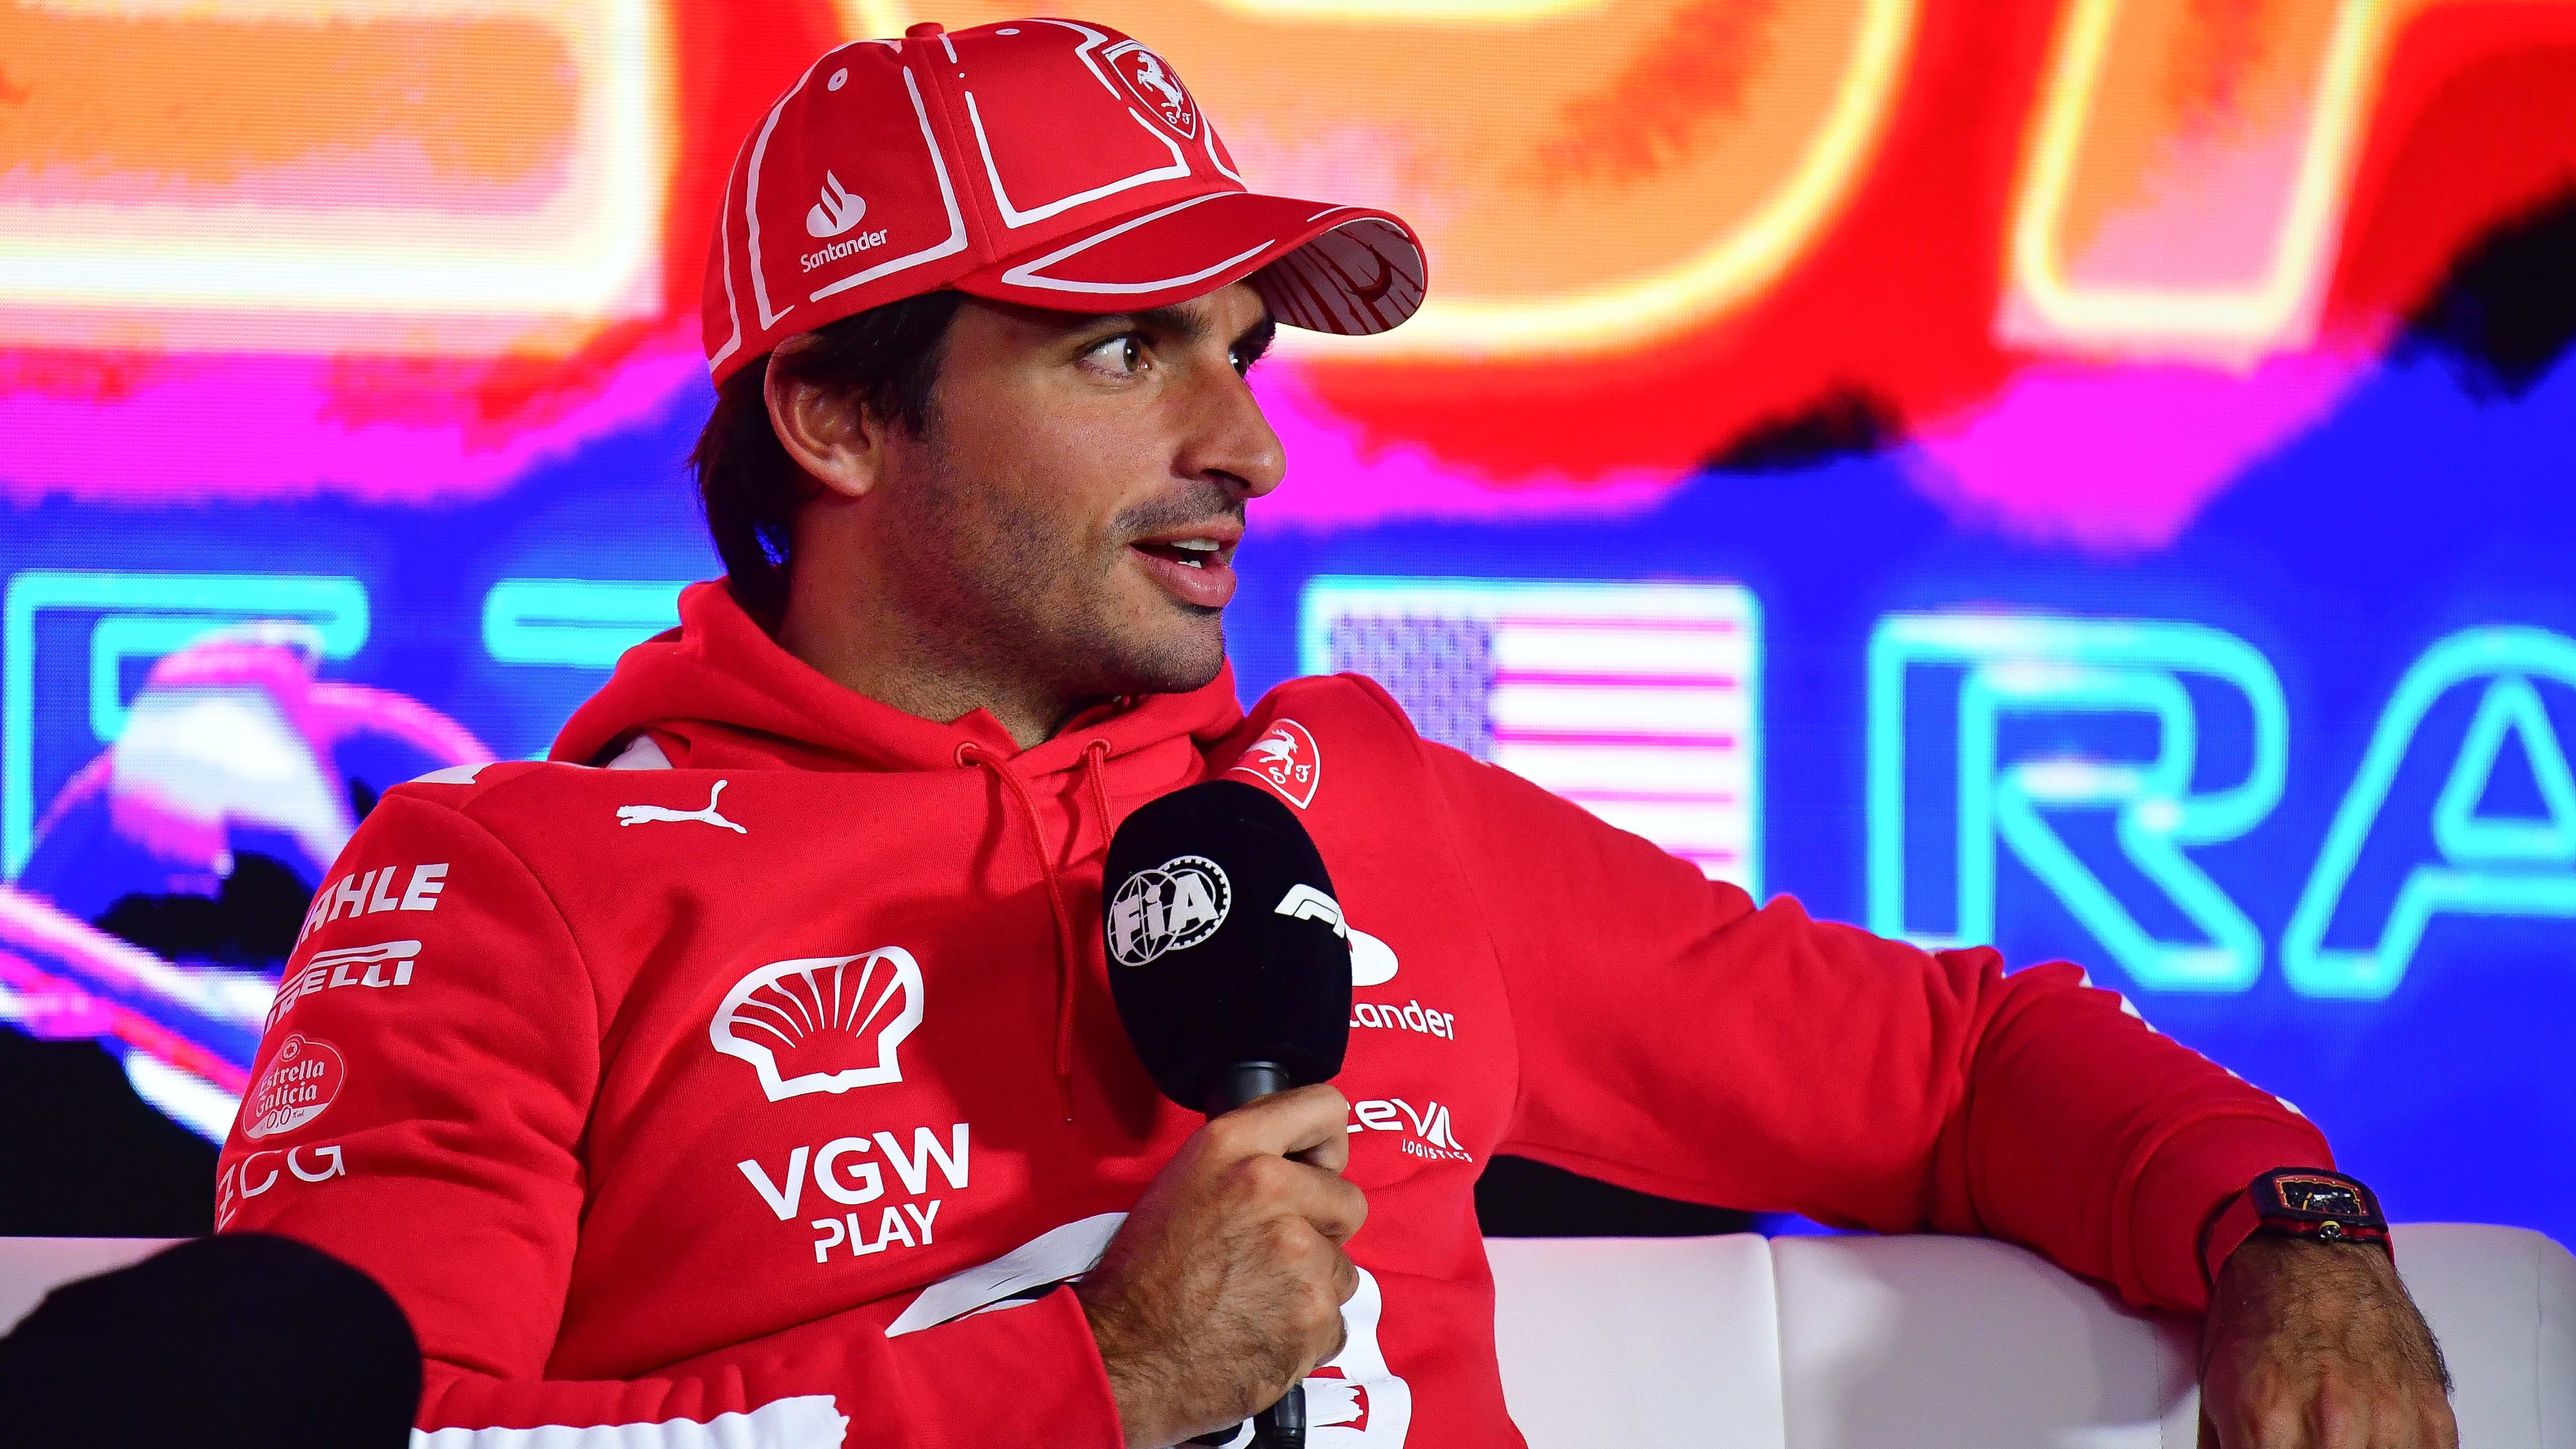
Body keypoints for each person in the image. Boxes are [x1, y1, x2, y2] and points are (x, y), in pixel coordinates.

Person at [214, 17, 2456, 1449]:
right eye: (1120, 359)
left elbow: (1962, 1072)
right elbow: (358, 1438)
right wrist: (1085, 1382)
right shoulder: (503, 882)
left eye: (1245, 353)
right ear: (830, 413)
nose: (1245, 452)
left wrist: (2289, 1233)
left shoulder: (1358, 806)